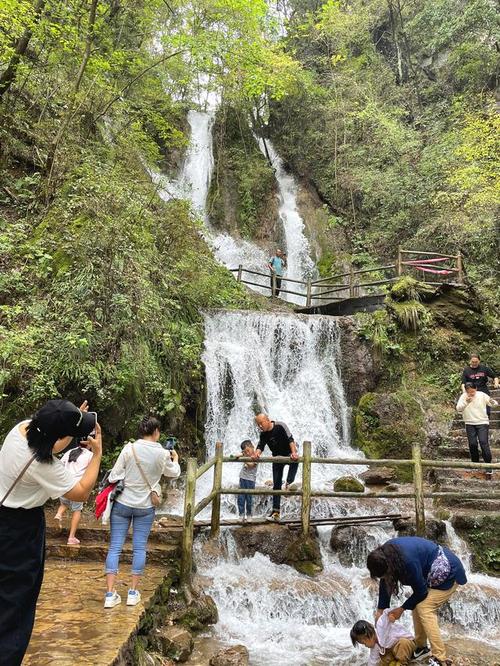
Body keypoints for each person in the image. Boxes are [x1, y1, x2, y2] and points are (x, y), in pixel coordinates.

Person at [0, 399, 101, 666]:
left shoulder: (20, 429)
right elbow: (80, 492)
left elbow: (49, 431)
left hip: (5, 514)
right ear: (58, 440)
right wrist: (97, 455)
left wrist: (69, 419)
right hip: (19, 532)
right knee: (16, 606)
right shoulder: (41, 464)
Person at [104, 415, 180, 609]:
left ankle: (110, 595)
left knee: (115, 547)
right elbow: (174, 473)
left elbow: (114, 474)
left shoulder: (129, 449)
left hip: (122, 504)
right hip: (145, 506)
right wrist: (175, 460)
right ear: (156, 432)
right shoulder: (163, 453)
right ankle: (132, 592)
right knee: (139, 548)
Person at [367, 536, 467, 666]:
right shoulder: (385, 555)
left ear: (388, 567)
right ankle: (421, 648)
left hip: (449, 573)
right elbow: (385, 581)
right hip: (432, 575)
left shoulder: (408, 562)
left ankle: (439, 657)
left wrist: (401, 609)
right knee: (416, 604)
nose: (385, 577)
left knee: (424, 607)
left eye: (385, 574)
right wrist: (381, 610)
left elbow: (421, 592)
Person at [252, 413, 299, 522]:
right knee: (276, 486)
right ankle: (276, 512)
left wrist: (294, 453)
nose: (260, 426)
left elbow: (290, 439)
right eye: (258, 424)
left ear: (267, 420)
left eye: (261, 423)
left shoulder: (280, 426)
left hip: (288, 454)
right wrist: (257, 453)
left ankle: (288, 482)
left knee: (295, 461)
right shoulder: (263, 434)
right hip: (277, 458)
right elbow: (260, 446)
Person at [55, 441, 94, 544]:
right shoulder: (90, 455)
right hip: (77, 486)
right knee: (77, 510)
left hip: (64, 483)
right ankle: (71, 537)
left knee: (64, 503)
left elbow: (59, 464)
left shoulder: (70, 451)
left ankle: (58, 514)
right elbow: (92, 471)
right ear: (89, 444)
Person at [456, 383, 498, 479]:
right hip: (469, 423)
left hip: (482, 422)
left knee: (484, 443)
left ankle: (488, 466)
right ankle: (475, 463)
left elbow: (494, 404)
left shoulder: (482, 395)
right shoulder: (463, 396)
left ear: (476, 388)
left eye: (473, 391)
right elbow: (458, 408)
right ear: (466, 391)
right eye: (469, 392)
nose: (471, 393)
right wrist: (466, 402)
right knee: (472, 444)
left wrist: (493, 402)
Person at [350, 614, 415, 666]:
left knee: (403, 643)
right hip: (394, 652)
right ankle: (395, 661)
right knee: (382, 659)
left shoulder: (383, 630)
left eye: (364, 643)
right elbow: (373, 661)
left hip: (408, 646)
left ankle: (402, 663)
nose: (365, 646)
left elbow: (386, 615)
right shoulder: (375, 645)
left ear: (368, 635)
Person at [237, 440, 257, 521]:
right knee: (241, 497)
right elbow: (236, 455)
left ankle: (249, 515)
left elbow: (251, 465)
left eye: (248, 450)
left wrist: (244, 458)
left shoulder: (256, 456)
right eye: (245, 451)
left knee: (249, 498)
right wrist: (242, 454)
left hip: (251, 480)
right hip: (242, 478)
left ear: (253, 447)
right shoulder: (245, 454)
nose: (247, 453)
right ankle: (241, 515)